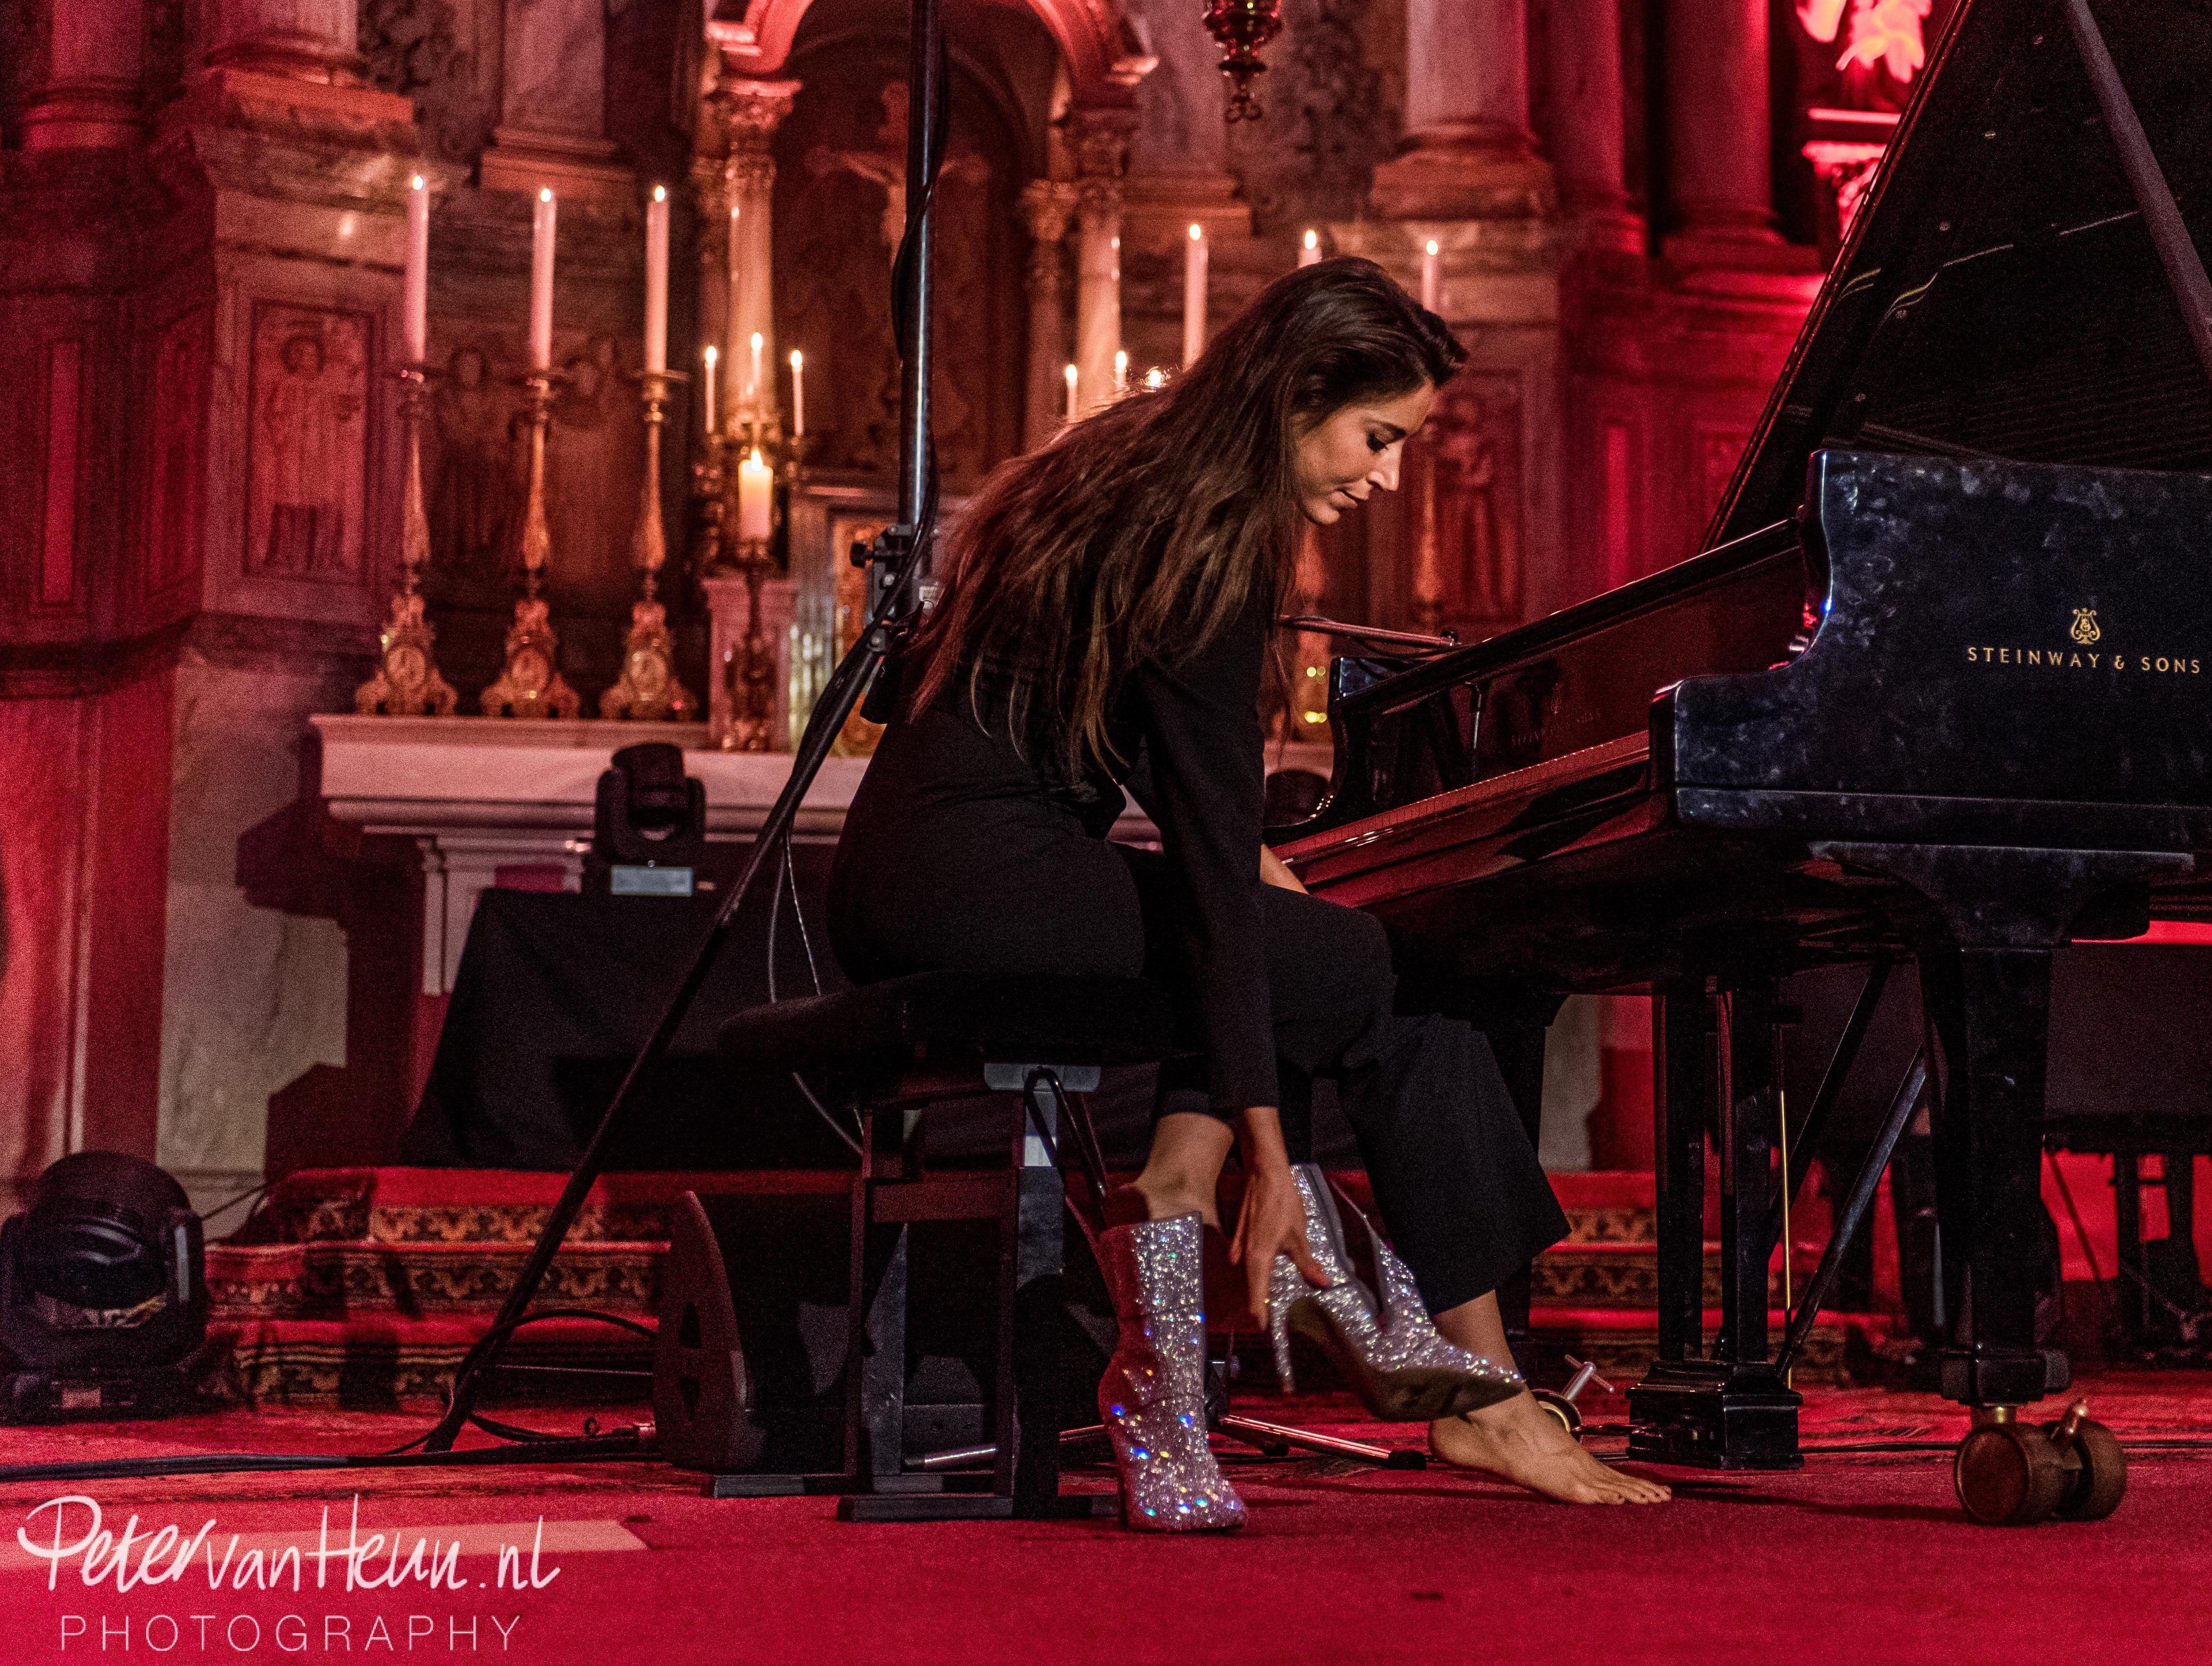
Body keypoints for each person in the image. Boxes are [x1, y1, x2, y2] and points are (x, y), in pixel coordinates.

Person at [829, 258, 1668, 1528]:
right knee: (1389, 974)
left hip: (909, 873)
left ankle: (1187, 1222)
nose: (1388, 477)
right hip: (980, 881)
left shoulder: (1127, 468)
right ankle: (1484, 1398)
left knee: (1331, 956)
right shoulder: (1211, 541)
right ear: (1297, 397)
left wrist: (1309, 926)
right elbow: (1218, 874)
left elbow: (1202, 830)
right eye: (1377, 437)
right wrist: (1272, 1155)